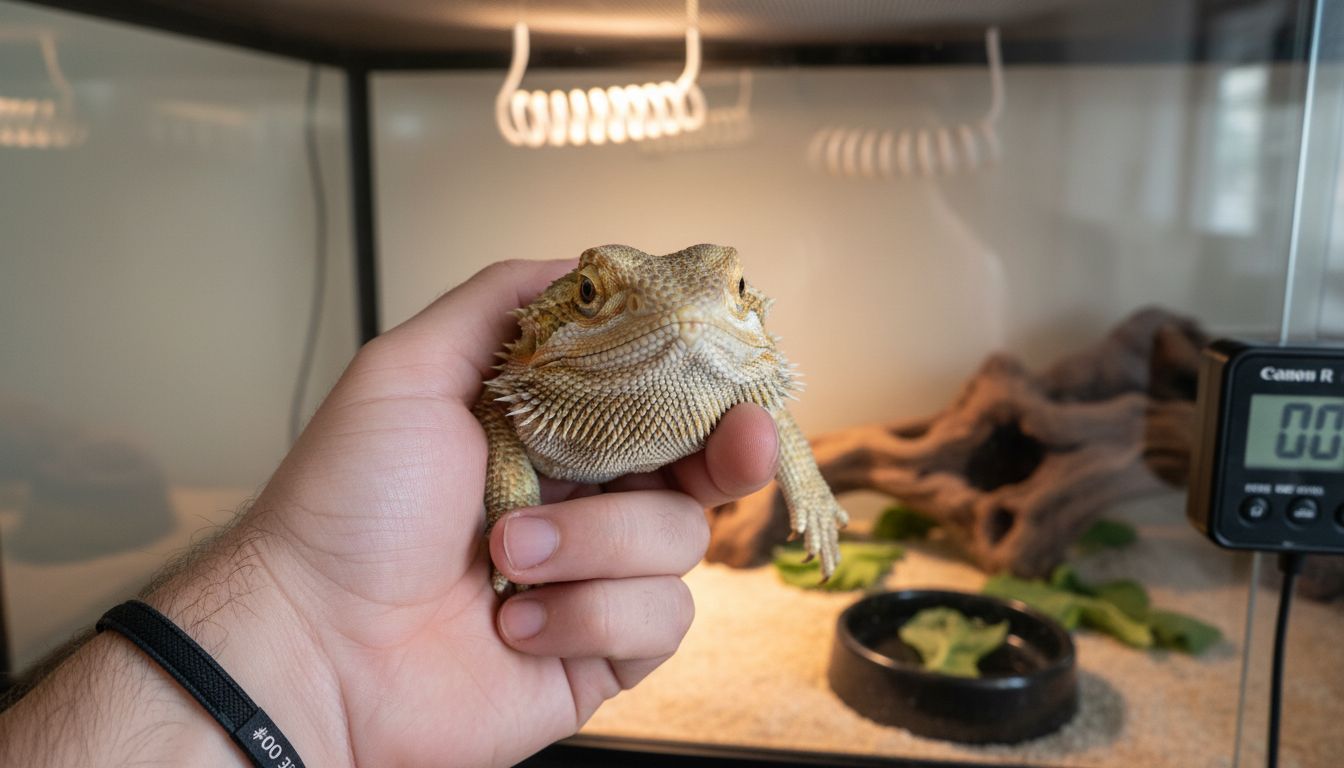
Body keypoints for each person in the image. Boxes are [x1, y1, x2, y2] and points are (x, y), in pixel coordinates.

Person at [0, 259, 781, 767]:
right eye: (589, 292)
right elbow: (504, 429)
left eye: (734, 290)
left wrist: (804, 488)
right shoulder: (524, 371)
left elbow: (776, 418)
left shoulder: (729, 378)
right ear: (547, 315)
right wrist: (303, 621)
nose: (682, 319)